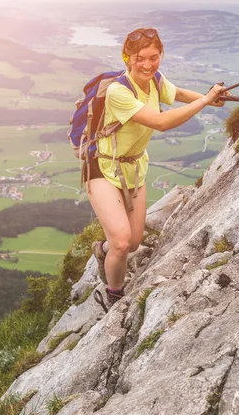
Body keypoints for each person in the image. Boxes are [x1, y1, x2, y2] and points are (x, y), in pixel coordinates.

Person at [88, 27, 228, 309]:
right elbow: (161, 122)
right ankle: (114, 295)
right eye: (140, 58)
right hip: (104, 169)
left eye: (154, 57)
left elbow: (177, 93)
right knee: (122, 241)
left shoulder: (155, 80)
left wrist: (209, 95)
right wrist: (205, 101)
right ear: (127, 58)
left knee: (134, 243)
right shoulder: (118, 91)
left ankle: (102, 250)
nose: (148, 64)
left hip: (134, 168)